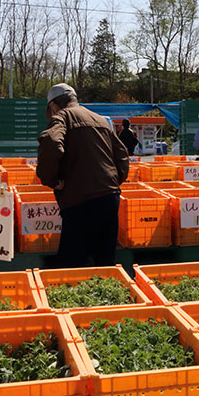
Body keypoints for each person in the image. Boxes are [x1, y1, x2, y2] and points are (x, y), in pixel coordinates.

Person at [36, 83, 129, 267]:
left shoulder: (62, 118)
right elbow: (123, 154)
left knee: (74, 263)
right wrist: (113, 180)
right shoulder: (100, 120)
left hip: (79, 201)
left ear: (53, 105)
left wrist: (51, 180)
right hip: (109, 197)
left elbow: (51, 141)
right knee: (105, 261)